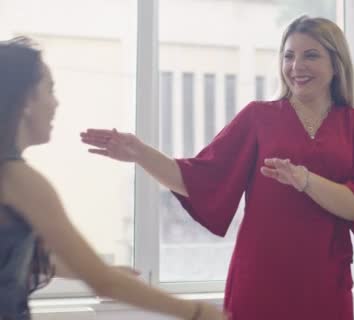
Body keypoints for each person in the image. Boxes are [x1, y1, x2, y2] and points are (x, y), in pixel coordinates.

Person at [80, 15, 354, 320]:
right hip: (260, 278)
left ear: (336, 63)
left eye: (311, 55)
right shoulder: (258, 117)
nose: (296, 66)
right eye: (288, 56)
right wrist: (140, 153)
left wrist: (304, 179)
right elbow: (197, 179)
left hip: (326, 280)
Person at [0, 37, 228, 320]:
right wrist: (198, 311)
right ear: (25, 100)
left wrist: (102, 272)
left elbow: (30, 262)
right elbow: (103, 283)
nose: (56, 102)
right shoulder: (20, 181)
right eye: (49, 89)